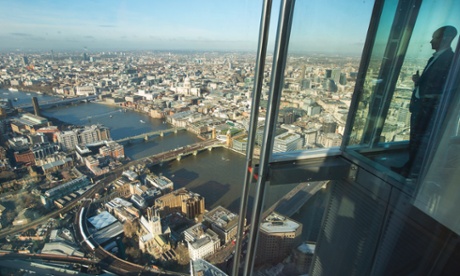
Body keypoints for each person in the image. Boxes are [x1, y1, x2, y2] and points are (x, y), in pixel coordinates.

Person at [393, 26, 457, 177]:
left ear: (446, 39)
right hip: (421, 107)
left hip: (428, 109)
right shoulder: (435, 58)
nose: (430, 41)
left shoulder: (450, 60)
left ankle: (413, 171)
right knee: (415, 139)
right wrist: (418, 82)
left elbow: (445, 88)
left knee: (420, 141)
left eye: (435, 38)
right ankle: (410, 168)